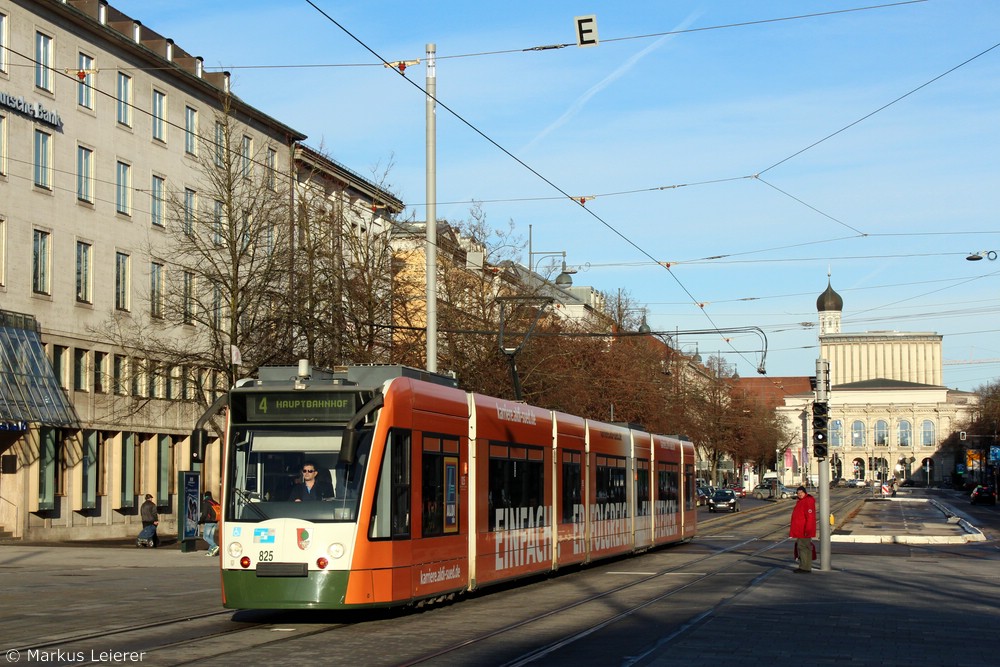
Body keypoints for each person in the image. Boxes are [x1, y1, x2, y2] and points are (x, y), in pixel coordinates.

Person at [789, 485, 816, 573]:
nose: (800, 494)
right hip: (801, 529)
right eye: (798, 493)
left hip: (804, 530)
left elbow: (810, 517)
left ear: (805, 493)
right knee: (804, 547)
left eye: (801, 492)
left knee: (802, 547)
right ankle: (805, 567)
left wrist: (807, 530)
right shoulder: (802, 501)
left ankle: (804, 568)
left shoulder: (807, 501)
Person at [199, 491, 221, 556]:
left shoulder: (206, 503)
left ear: (205, 496)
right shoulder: (214, 502)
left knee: (205, 537)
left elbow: (204, 514)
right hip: (215, 521)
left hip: (209, 522)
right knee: (211, 537)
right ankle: (210, 552)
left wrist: (201, 521)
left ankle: (215, 546)